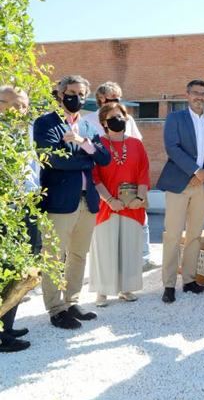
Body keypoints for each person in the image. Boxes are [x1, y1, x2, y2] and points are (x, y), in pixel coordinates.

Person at [34, 75, 111, 329]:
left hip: (86, 201)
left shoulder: (88, 127)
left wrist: (82, 143)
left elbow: (105, 158)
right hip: (59, 201)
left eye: (81, 94)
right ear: (60, 93)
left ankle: (72, 301)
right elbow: (54, 160)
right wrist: (88, 157)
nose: (76, 98)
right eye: (71, 92)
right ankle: (56, 309)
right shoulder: (46, 123)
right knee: (54, 256)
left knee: (78, 254)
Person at [157, 80, 204, 303]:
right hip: (179, 183)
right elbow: (172, 147)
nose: (200, 97)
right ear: (187, 95)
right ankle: (168, 285)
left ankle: (189, 281)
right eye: (196, 93)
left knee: (195, 235)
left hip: (202, 186)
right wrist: (195, 171)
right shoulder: (176, 118)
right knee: (173, 235)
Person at [88, 82, 157, 272]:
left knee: (138, 227)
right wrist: (109, 199)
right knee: (105, 235)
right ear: (101, 99)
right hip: (105, 192)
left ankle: (143, 260)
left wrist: (140, 195)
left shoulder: (128, 120)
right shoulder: (88, 122)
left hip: (132, 189)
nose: (117, 102)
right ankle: (105, 281)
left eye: (119, 99)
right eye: (113, 99)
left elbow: (138, 152)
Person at [88, 102, 150, 307]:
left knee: (129, 247)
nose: (118, 120)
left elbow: (143, 172)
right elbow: (94, 176)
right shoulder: (97, 144)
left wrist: (140, 199)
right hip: (107, 205)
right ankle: (102, 291)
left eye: (121, 115)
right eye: (112, 117)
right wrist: (109, 200)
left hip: (132, 204)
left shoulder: (136, 144)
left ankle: (126, 288)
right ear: (104, 122)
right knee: (105, 248)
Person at [0, 87, 38, 352]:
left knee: (24, 265)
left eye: (22, 105)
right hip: (5, 211)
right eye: (10, 104)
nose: (17, 110)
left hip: (27, 207)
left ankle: (7, 323)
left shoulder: (26, 132)